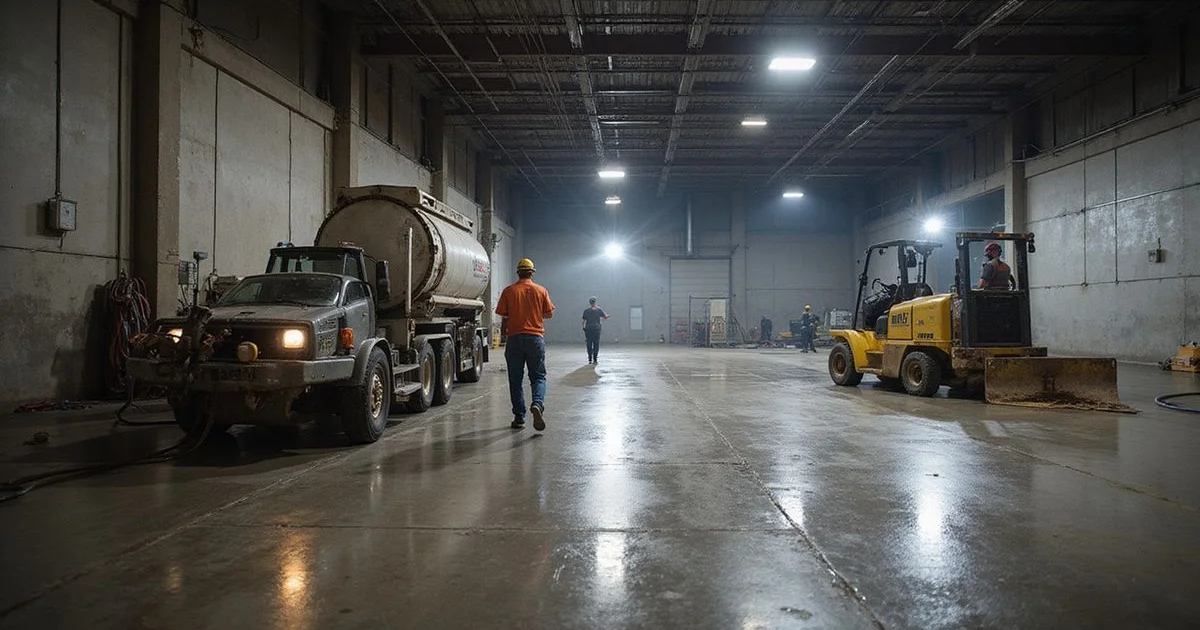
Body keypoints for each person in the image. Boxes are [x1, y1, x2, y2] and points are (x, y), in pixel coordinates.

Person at [495, 258, 556, 431]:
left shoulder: (509, 291)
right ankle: (537, 404)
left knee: (515, 379)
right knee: (538, 377)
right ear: (532, 273)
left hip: (514, 339)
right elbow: (549, 314)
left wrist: (505, 337)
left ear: (518, 272)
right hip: (535, 339)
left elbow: (503, 316)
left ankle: (519, 417)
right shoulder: (540, 290)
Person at [581, 296, 609, 364]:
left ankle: (590, 358)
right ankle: (595, 359)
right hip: (596, 329)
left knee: (589, 343)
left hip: (588, 329)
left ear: (590, 303)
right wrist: (608, 315)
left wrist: (584, 328)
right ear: (595, 302)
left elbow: (583, 321)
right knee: (596, 344)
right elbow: (605, 317)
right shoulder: (599, 310)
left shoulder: (586, 311)